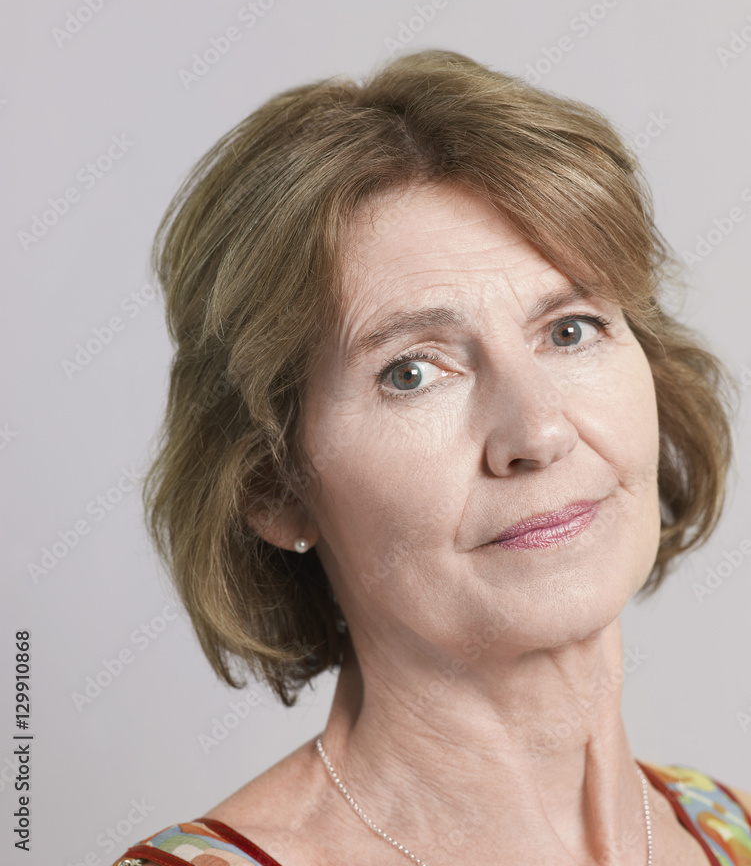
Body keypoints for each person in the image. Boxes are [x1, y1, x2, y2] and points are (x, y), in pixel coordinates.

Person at [115, 50, 751, 866]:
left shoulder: (726, 827)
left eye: (569, 329)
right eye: (410, 373)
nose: (537, 434)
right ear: (274, 486)